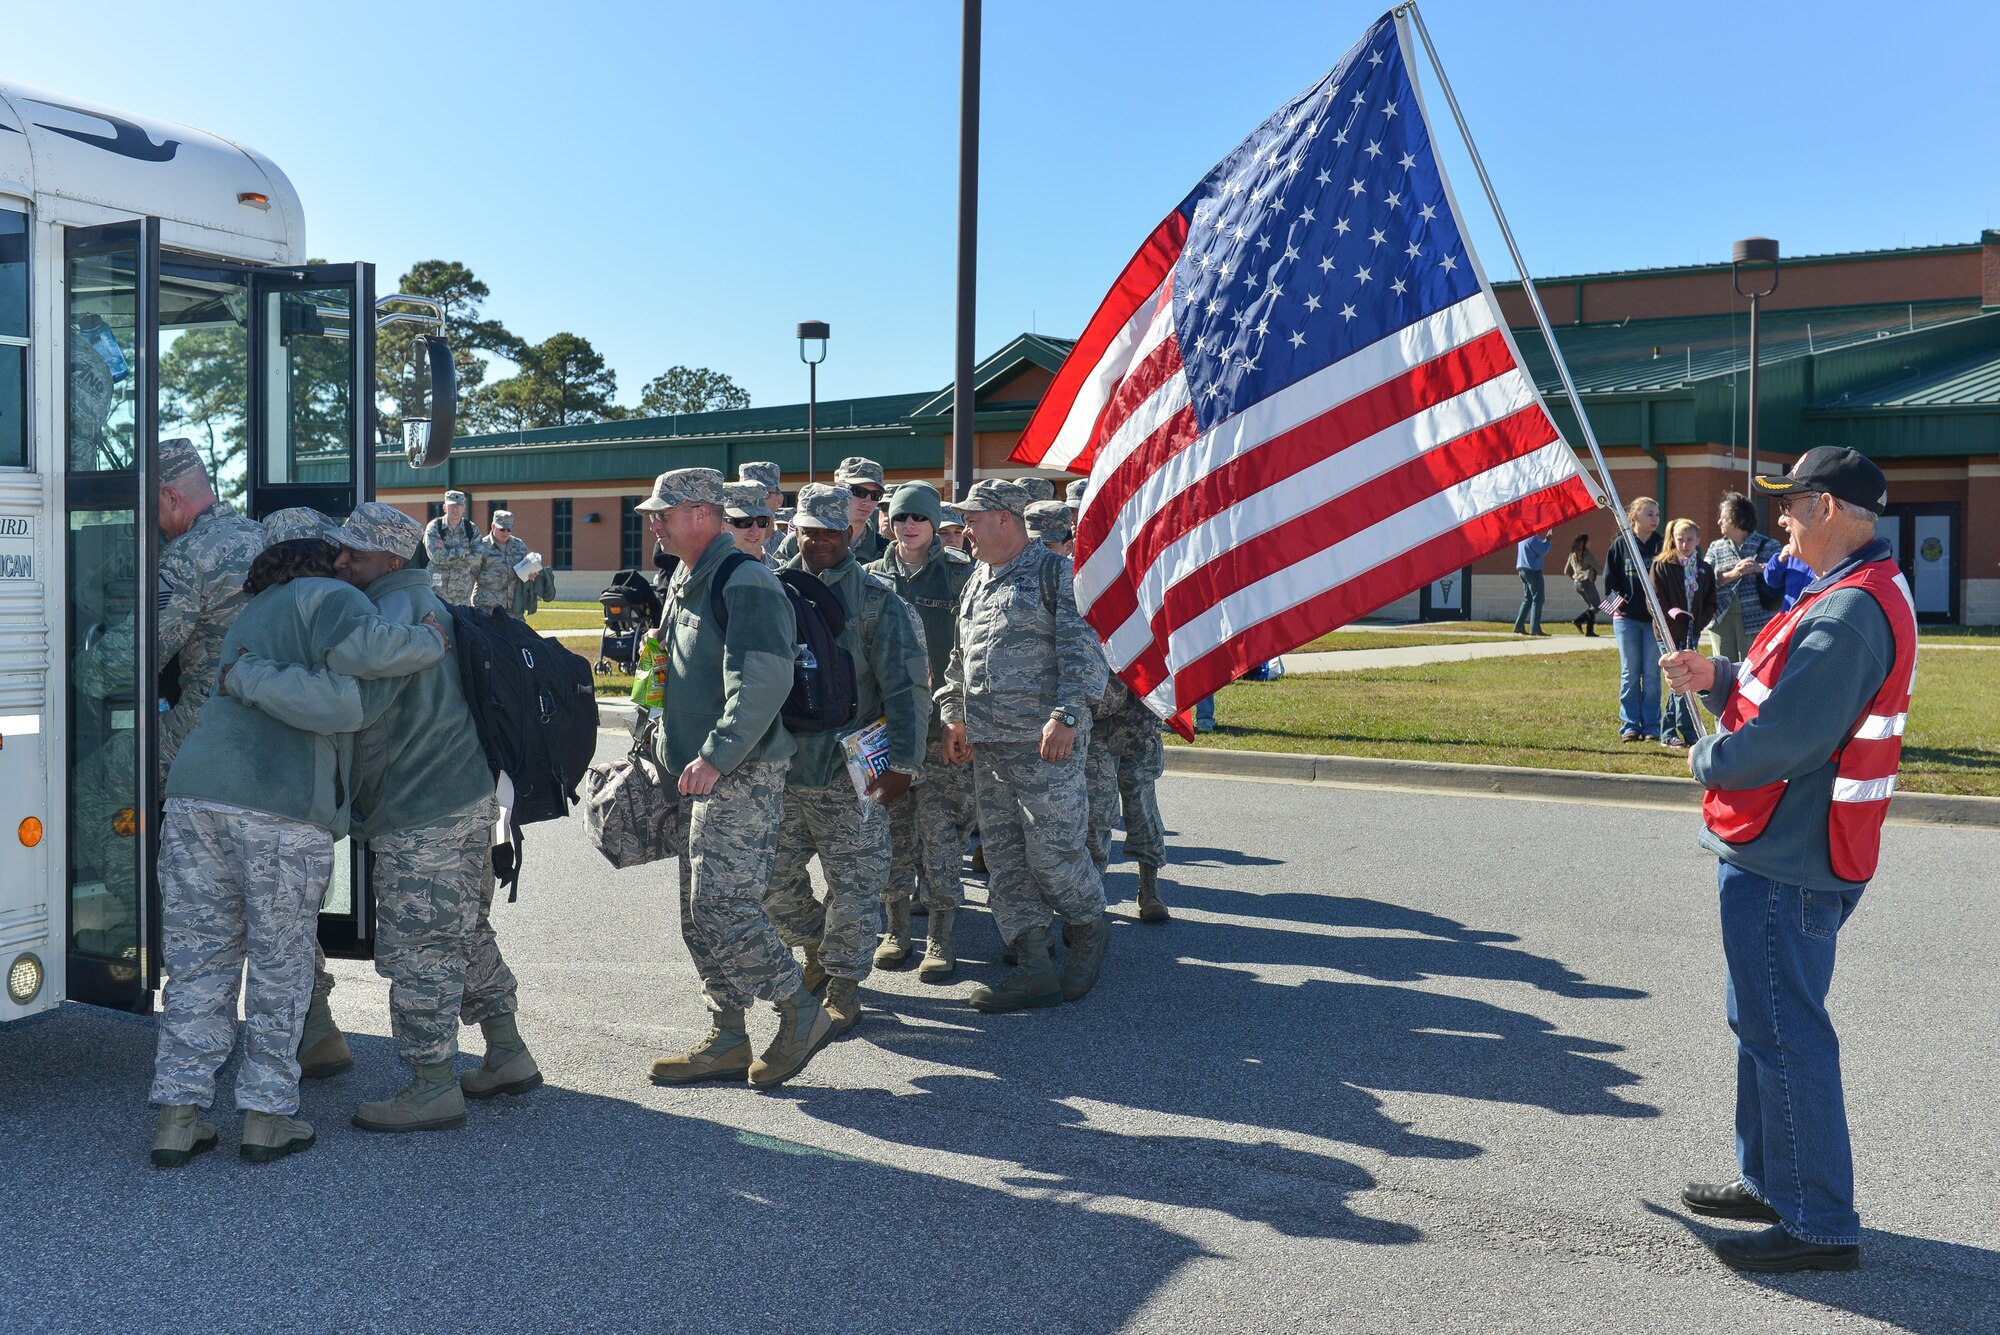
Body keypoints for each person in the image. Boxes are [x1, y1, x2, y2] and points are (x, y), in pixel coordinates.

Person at [1661, 446, 1911, 1275]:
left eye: (1795, 505)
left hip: (1789, 851)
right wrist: (1722, 671)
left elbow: (1788, 738)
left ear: (1832, 510)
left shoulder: (1846, 613)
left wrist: (1709, 758)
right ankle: (1772, 1180)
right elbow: (1792, 693)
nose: (1783, 520)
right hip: (1790, 843)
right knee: (1760, 1021)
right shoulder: (1847, 594)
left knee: (1785, 1032)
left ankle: (1818, 1218)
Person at [146, 510, 451, 1168]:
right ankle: (265, 1118)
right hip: (278, 806)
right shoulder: (330, 596)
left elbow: (262, 683)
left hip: (196, 795)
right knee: (281, 968)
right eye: (340, 552)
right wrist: (426, 642)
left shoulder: (251, 614)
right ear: (320, 556)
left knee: (199, 963)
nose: (348, 561)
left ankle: (178, 1116)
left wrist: (254, 682)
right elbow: (348, 698)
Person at [233, 503, 539, 1131]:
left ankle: (432, 1086)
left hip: (421, 804)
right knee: (463, 928)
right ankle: (506, 1052)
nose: (340, 560)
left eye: (354, 553)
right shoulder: (427, 604)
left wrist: (252, 676)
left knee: (420, 946)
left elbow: (349, 707)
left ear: (392, 560)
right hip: (459, 798)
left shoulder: (390, 613)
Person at [638, 468, 834, 1091]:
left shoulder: (744, 580)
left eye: (663, 514)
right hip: (696, 771)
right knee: (696, 913)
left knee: (723, 904)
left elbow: (764, 680)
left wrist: (717, 755)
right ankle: (727, 1035)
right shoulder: (686, 578)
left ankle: (800, 1011)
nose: (654, 523)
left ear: (700, 513)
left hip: (740, 770)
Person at [939, 480, 1110, 1014]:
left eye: (972, 519)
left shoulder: (1055, 574)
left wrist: (1067, 716)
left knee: (1054, 855)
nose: (964, 529)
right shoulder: (976, 581)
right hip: (989, 749)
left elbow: (1085, 653)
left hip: (1045, 748)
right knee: (1007, 862)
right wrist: (953, 715)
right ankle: (1034, 964)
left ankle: (1089, 933)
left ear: (1005, 520)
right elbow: (958, 661)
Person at [762, 484, 927, 1033]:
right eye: (810, 530)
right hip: (781, 770)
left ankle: (844, 984)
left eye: (833, 531)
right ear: (796, 531)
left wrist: (903, 765)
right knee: (769, 883)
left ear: (853, 532)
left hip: (849, 774)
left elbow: (906, 690)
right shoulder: (769, 592)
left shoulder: (879, 602)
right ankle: (818, 948)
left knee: (857, 886)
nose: (821, 540)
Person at [73, 437, 268, 780]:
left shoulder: (185, 554)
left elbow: (137, 654)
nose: (150, 521)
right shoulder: (263, 536)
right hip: (270, 722)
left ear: (171, 497)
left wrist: (75, 671)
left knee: (87, 786)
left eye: (150, 507)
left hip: (211, 723)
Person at [867, 482, 975, 979]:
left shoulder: (960, 576)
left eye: (920, 518)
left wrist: (963, 716)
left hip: (939, 729)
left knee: (940, 835)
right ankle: (894, 930)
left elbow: (974, 652)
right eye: (900, 517)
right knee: (892, 833)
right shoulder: (869, 577)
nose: (909, 526)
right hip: (886, 730)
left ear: (935, 524)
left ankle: (941, 936)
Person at [1601, 496, 1664, 742]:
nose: (1655, 519)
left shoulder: (1661, 545)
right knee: (1630, 671)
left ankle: (1651, 726)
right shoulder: (1621, 544)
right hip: (1626, 620)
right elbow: (1609, 581)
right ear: (1634, 517)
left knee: (1651, 673)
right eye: (1649, 514)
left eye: (1657, 515)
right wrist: (1620, 605)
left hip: (1653, 622)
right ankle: (1629, 725)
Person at [1650, 518, 1717, 749]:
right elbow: (1655, 600)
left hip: (1691, 631)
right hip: (1669, 632)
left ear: (1698, 540)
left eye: (1690, 539)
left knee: (1684, 678)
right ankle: (1678, 732)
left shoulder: (1703, 568)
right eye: (1680, 539)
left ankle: (1674, 731)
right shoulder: (1662, 565)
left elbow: (1710, 601)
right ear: (1672, 540)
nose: (1685, 544)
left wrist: (1699, 621)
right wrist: (1671, 615)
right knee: (1680, 676)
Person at [1705, 492, 1782, 661]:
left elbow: (1782, 575)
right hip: (1721, 620)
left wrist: (1760, 568)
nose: (1719, 521)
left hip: (1759, 620)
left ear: (1738, 518)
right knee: (1723, 671)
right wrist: (1732, 575)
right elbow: (1704, 581)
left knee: (1754, 669)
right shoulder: (1716, 547)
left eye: (1724, 517)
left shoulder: (1770, 545)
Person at [423, 489, 484, 605]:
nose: (455, 509)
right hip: (437, 590)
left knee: (461, 622)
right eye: (452, 506)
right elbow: (436, 557)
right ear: (445, 508)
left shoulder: (471, 529)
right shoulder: (435, 527)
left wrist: (447, 551)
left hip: (461, 591)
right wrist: (464, 551)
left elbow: (477, 559)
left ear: (464, 509)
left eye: (459, 506)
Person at [473, 509, 538, 616]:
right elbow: (471, 575)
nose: (506, 533)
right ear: (493, 526)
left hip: (514, 609)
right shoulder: (481, 547)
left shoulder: (519, 546)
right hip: (487, 609)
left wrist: (532, 574)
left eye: (509, 530)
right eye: (502, 529)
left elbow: (527, 568)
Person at [737, 461, 787, 560]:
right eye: (748, 494)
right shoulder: (727, 546)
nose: (755, 500)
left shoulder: (788, 548)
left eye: (765, 493)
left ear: (779, 501)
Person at [1512, 528, 1553, 636]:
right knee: (1538, 599)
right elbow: (1543, 551)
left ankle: (1519, 625)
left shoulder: (1522, 537)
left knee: (1528, 599)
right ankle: (1535, 628)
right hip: (1533, 571)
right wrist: (1548, 541)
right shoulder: (1533, 537)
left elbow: (1537, 549)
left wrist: (1544, 542)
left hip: (1522, 570)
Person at [722, 483, 776, 563]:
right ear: (722, 526)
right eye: (744, 521)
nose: (755, 531)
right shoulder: (709, 573)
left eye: (762, 521)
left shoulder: (782, 571)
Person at [1760, 542, 1817, 613]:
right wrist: (1780, 560)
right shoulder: (1793, 555)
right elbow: (1772, 581)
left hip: (1814, 613)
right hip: (1790, 614)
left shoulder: (1829, 556)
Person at [1563, 533, 1602, 636]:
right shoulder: (1587, 554)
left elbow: (1566, 571)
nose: (1590, 542)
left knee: (1591, 607)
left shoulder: (1572, 554)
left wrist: (1576, 579)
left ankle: (1589, 631)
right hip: (1587, 583)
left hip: (1577, 585)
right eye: (1589, 541)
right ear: (1584, 543)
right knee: (1597, 606)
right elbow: (1597, 568)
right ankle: (1578, 620)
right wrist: (1609, 570)